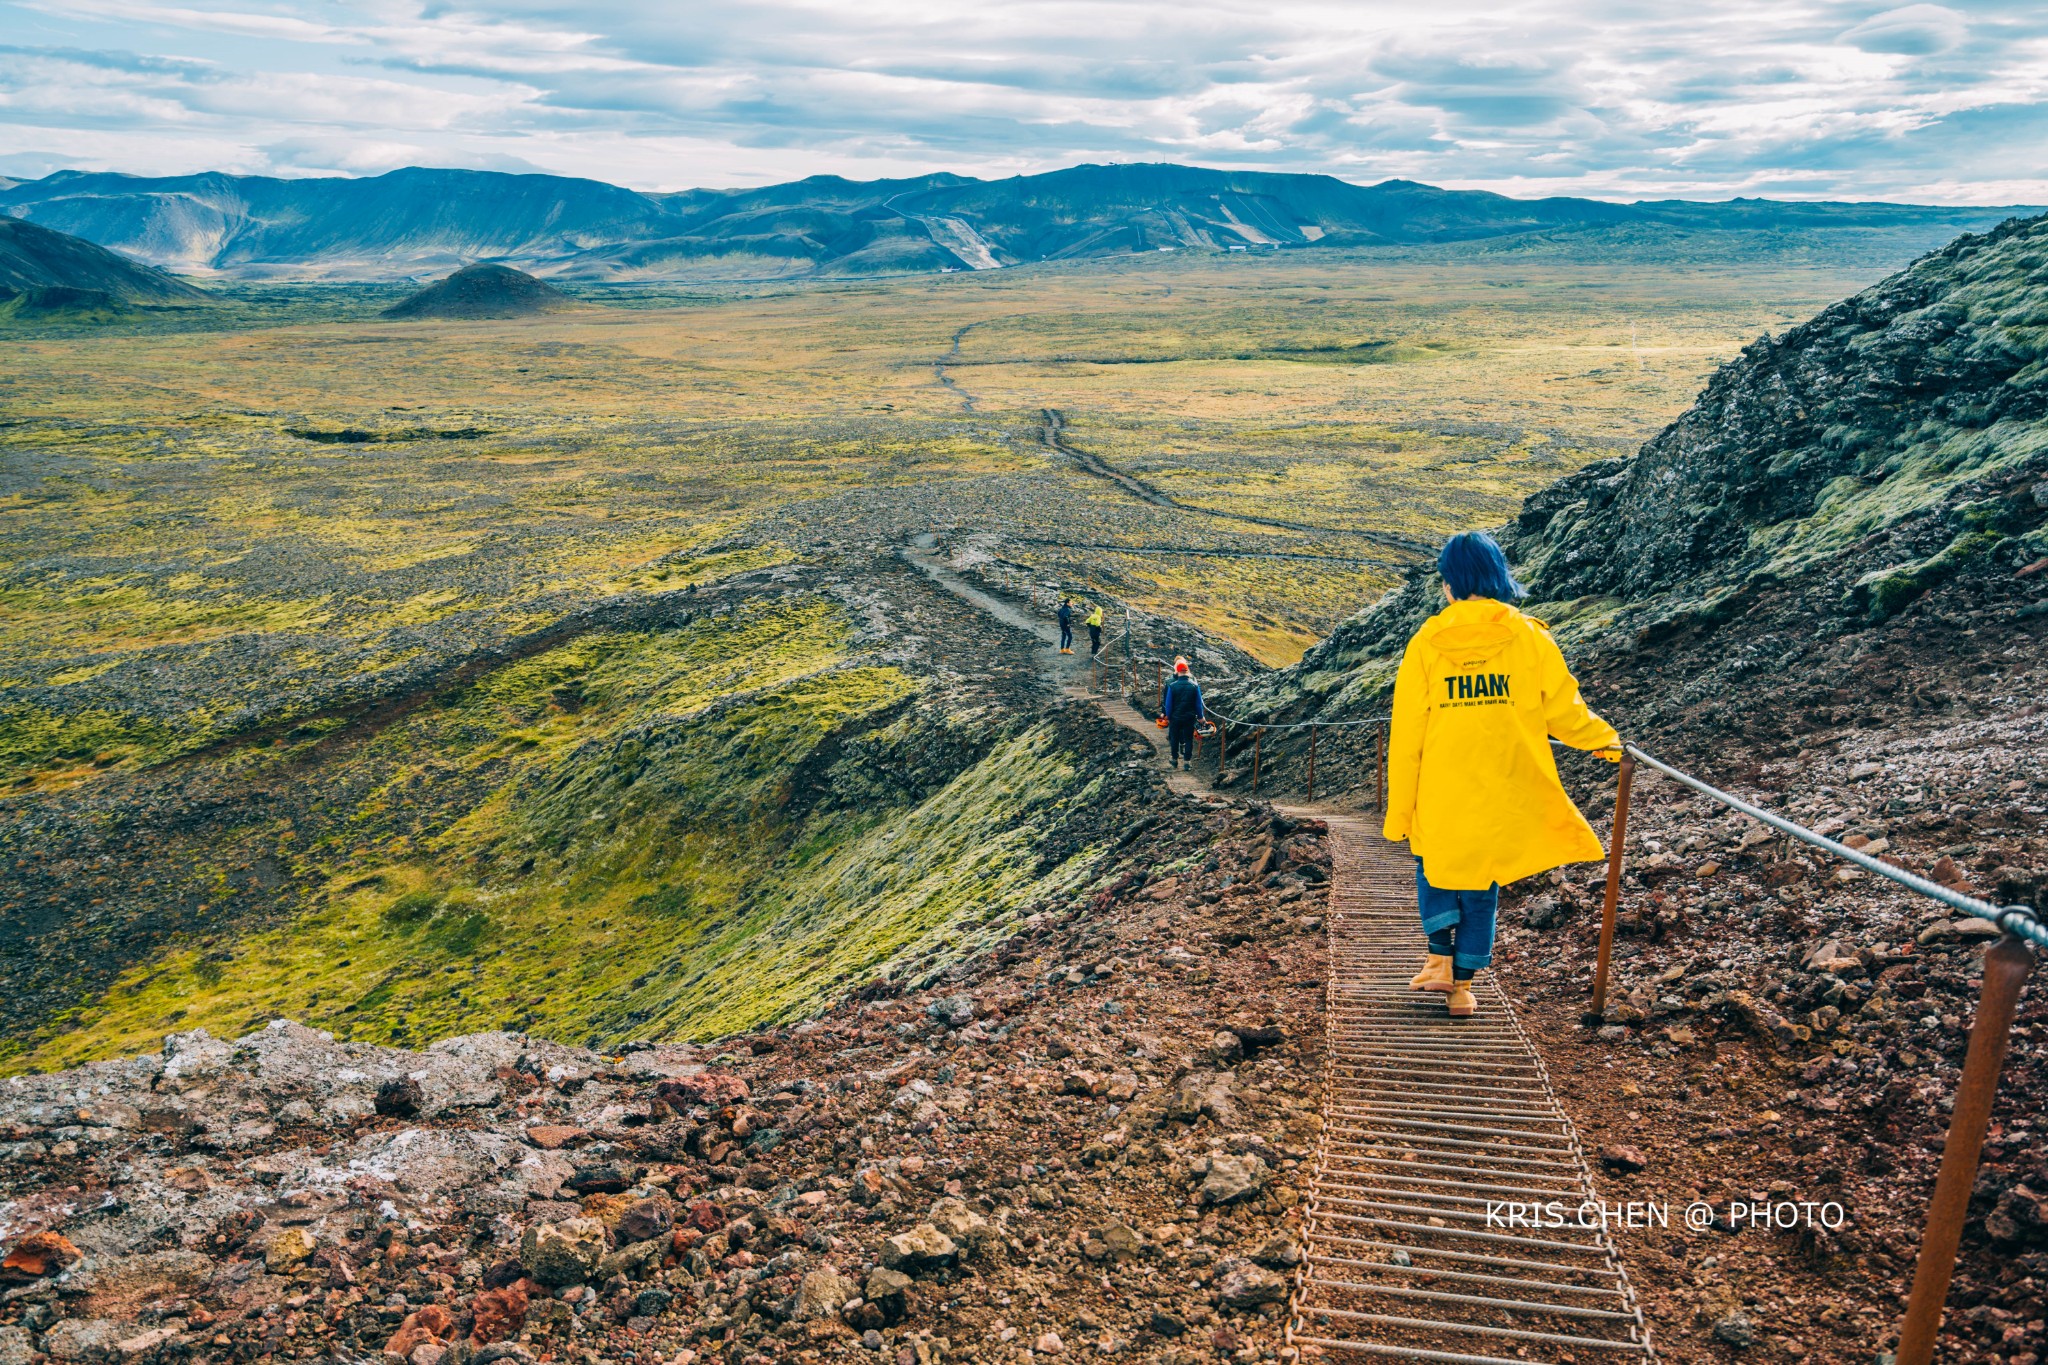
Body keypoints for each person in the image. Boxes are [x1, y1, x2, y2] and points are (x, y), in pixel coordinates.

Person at [1383, 531, 1622, 1019]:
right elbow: (1565, 711)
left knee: (1435, 868)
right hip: (1504, 788)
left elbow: (1407, 734)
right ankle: (1463, 990)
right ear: (1499, 577)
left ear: (1448, 584)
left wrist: (1400, 809)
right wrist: (1608, 742)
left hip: (1440, 787)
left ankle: (1437, 960)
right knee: (1482, 886)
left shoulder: (1426, 642)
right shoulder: (1531, 637)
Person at [1159, 657, 1204, 770]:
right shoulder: (1194, 686)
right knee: (1188, 739)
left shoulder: (1172, 686)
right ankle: (1187, 762)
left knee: (1174, 737)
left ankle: (1174, 759)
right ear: (1187, 671)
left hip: (1175, 717)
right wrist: (1201, 717)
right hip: (1189, 717)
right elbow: (1198, 704)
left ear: (1177, 672)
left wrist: (1168, 715)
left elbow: (1168, 704)